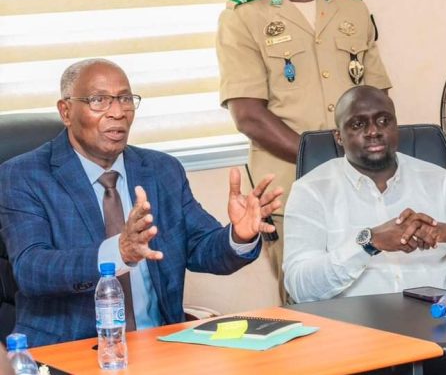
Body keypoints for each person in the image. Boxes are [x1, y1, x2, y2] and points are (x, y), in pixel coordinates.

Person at [0, 59, 283, 346]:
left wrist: (239, 235)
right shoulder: (24, 175)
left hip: (158, 345)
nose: (117, 112)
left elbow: (203, 248)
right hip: (71, 348)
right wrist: (117, 252)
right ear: (66, 111)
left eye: (125, 99)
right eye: (99, 100)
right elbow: (31, 269)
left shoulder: (161, 170)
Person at [215, 0, 392, 301]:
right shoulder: (244, 15)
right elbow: (248, 114)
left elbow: (378, 101)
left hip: (363, 186)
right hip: (291, 190)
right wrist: (327, 161)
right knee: (307, 303)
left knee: (375, 292)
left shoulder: (351, 8)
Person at [283, 86, 446, 303]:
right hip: (353, 325)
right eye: (358, 124)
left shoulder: (441, 182)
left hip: (437, 319)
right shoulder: (311, 190)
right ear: (338, 137)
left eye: (384, 121)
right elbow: (300, 288)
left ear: (396, 126)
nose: (373, 131)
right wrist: (369, 243)